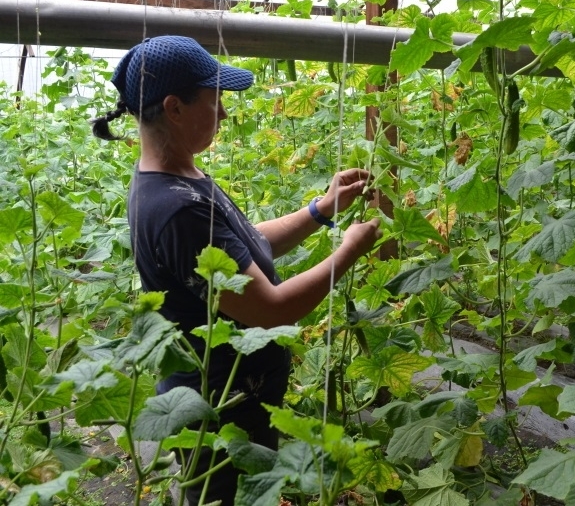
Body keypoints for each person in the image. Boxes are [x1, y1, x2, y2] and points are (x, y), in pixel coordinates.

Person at [91, 35, 382, 505]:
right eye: (215, 100)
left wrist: (320, 211)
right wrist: (348, 252)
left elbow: (247, 245)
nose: (224, 113)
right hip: (220, 407)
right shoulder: (176, 208)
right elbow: (270, 311)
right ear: (175, 108)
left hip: (236, 396)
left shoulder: (178, 179)